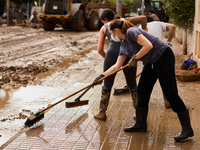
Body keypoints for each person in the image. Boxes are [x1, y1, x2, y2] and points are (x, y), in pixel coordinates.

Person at [92, 19, 194, 142]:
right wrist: (101, 76)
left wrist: (135, 58)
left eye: (112, 34)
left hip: (163, 57)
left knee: (170, 93)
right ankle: (140, 124)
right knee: (142, 91)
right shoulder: (123, 45)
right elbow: (117, 66)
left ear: (116, 30)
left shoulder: (131, 31)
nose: (112, 37)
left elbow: (148, 45)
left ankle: (187, 128)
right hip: (151, 62)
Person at [94, 8, 147, 121]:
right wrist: (145, 29)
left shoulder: (104, 27)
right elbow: (143, 18)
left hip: (112, 54)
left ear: (105, 19)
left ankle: (102, 112)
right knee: (132, 84)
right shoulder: (125, 21)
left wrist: (109, 60)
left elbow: (99, 50)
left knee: (107, 83)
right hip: (129, 53)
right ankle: (138, 114)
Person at [115, 16, 176, 108]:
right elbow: (173, 27)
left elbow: (147, 45)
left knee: (148, 81)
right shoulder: (158, 23)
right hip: (156, 52)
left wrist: (135, 58)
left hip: (157, 53)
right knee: (166, 81)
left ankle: (145, 101)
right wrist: (169, 41)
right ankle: (168, 101)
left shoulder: (136, 29)